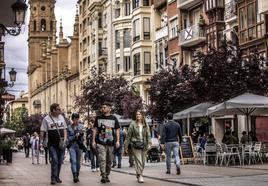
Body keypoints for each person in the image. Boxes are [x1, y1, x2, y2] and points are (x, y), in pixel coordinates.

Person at [92, 102, 120, 183]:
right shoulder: (98, 118)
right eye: (102, 107)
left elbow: (117, 129)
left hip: (111, 143)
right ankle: (103, 175)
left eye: (104, 107)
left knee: (109, 161)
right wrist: (93, 141)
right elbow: (95, 129)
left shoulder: (113, 118)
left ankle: (107, 174)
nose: (102, 108)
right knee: (102, 159)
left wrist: (118, 141)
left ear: (109, 109)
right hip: (100, 143)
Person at [40, 103, 67, 185]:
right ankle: (53, 178)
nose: (60, 110)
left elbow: (65, 129)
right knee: (54, 160)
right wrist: (41, 142)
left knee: (59, 161)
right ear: (53, 110)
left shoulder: (61, 117)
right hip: (51, 144)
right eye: (58, 109)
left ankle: (57, 176)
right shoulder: (46, 119)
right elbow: (42, 131)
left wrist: (65, 139)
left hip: (61, 143)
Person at [124, 110, 151, 183]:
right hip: (135, 145)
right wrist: (125, 146)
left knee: (143, 162)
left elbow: (148, 135)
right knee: (139, 161)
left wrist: (149, 144)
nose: (137, 115)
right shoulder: (132, 124)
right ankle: (140, 175)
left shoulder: (145, 125)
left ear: (142, 115)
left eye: (139, 114)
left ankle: (138, 174)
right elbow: (128, 136)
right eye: (137, 114)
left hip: (144, 145)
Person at [66, 113, 84, 183]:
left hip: (79, 146)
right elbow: (68, 138)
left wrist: (80, 134)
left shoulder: (81, 126)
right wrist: (74, 136)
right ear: (72, 119)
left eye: (77, 119)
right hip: (72, 146)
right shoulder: (69, 127)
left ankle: (77, 174)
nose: (76, 120)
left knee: (78, 163)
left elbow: (83, 137)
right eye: (75, 119)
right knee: (73, 161)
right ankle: (75, 176)